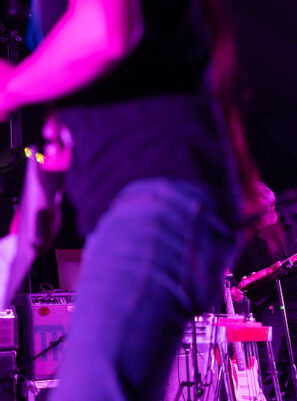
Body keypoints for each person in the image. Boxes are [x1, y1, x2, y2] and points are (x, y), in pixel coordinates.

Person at [0, 0, 253, 399]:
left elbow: (106, 30)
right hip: (137, 200)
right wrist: (37, 204)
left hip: (159, 192)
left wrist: (11, 87)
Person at [231, 182, 297, 401]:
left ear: (272, 206)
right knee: (268, 369)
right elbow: (237, 271)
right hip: (269, 306)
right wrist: (236, 288)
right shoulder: (248, 236)